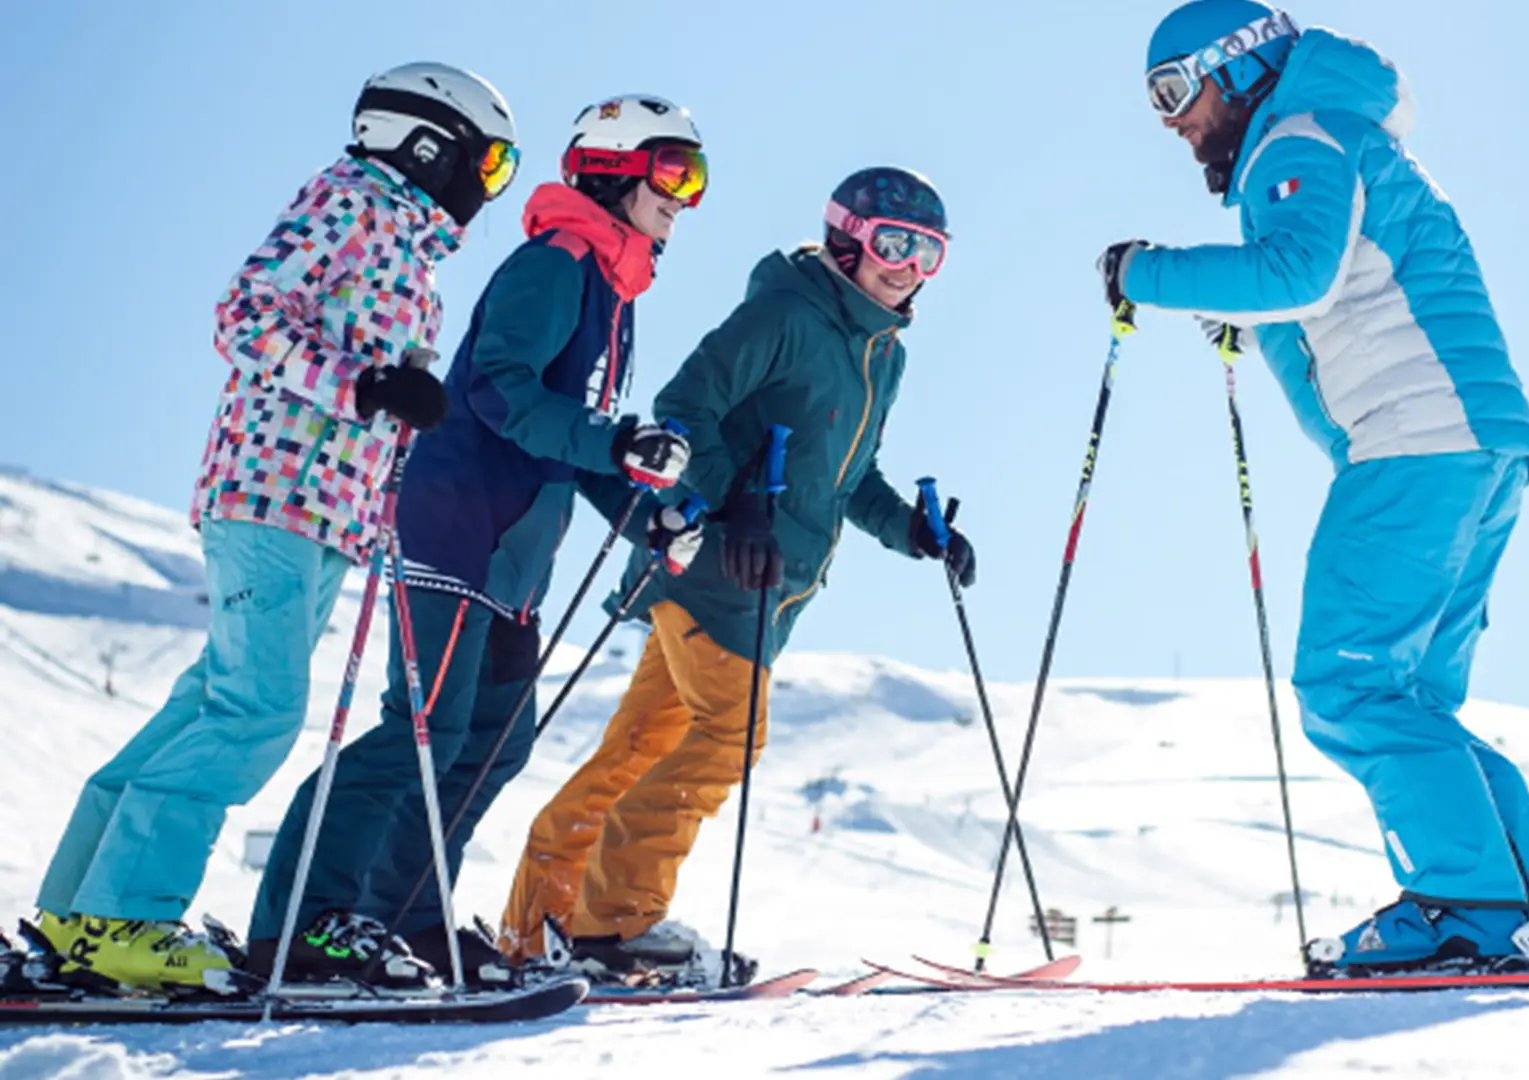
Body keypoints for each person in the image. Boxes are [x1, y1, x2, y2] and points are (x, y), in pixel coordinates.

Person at [32, 62, 518, 992]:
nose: (485, 184)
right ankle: (125, 919)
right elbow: (246, 313)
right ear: (428, 144)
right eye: (486, 160)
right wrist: (367, 385)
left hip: (323, 508)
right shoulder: (353, 201)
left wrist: (393, 429)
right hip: (273, 490)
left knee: (209, 705)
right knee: (255, 711)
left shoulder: (412, 255)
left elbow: (373, 388)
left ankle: (76, 915)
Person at [1105, 1, 1529, 973]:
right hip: (1468, 451)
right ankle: (1522, 908)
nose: (1170, 121)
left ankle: (1465, 907)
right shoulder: (1334, 139)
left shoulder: (1303, 137)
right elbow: (1316, 306)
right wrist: (1257, 323)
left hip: (1421, 446)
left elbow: (1295, 273)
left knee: (1347, 685)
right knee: (1409, 701)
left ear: (1238, 67)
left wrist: (1144, 272)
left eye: (1175, 91)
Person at [244, 94, 703, 987]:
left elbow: (582, 429)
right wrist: (614, 443)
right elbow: (500, 394)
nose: (684, 194)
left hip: (516, 555)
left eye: (696, 177)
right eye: (674, 169)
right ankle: (296, 922)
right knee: (419, 733)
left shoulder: (612, 288)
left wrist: (653, 514)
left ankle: (403, 917)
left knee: (492, 741)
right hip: (461, 527)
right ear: (612, 167)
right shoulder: (555, 263)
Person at [494, 166, 975, 976]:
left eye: (931, 254)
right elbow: (687, 404)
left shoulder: (882, 354)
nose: (908, 266)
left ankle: (538, 925)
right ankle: (615, 925)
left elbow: (851, 477)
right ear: (847, 237)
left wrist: (915, 533)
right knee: (729, 735)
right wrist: (730, 504)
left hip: (769, 589)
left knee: (639, 751)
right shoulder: (786, 313)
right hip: (714, 565)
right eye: (895, 244)